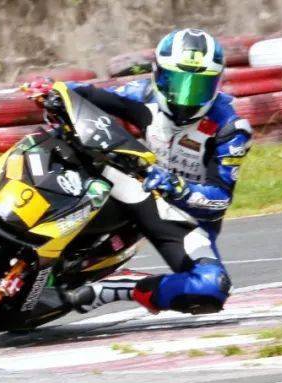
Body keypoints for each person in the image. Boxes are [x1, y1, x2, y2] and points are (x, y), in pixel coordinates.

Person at [36, 28, 252, 315]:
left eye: (197, 87)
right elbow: (91, 95)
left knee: (211, 289)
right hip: (134, 187)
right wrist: (55, 90)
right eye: (177, 84)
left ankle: (118, 288)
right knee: (71, 148)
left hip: (183, 218)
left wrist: (180, 188)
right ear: (158, 74)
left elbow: (220, 200)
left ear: (216, 83)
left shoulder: (230, 129)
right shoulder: (143, 94)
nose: (185, 98)